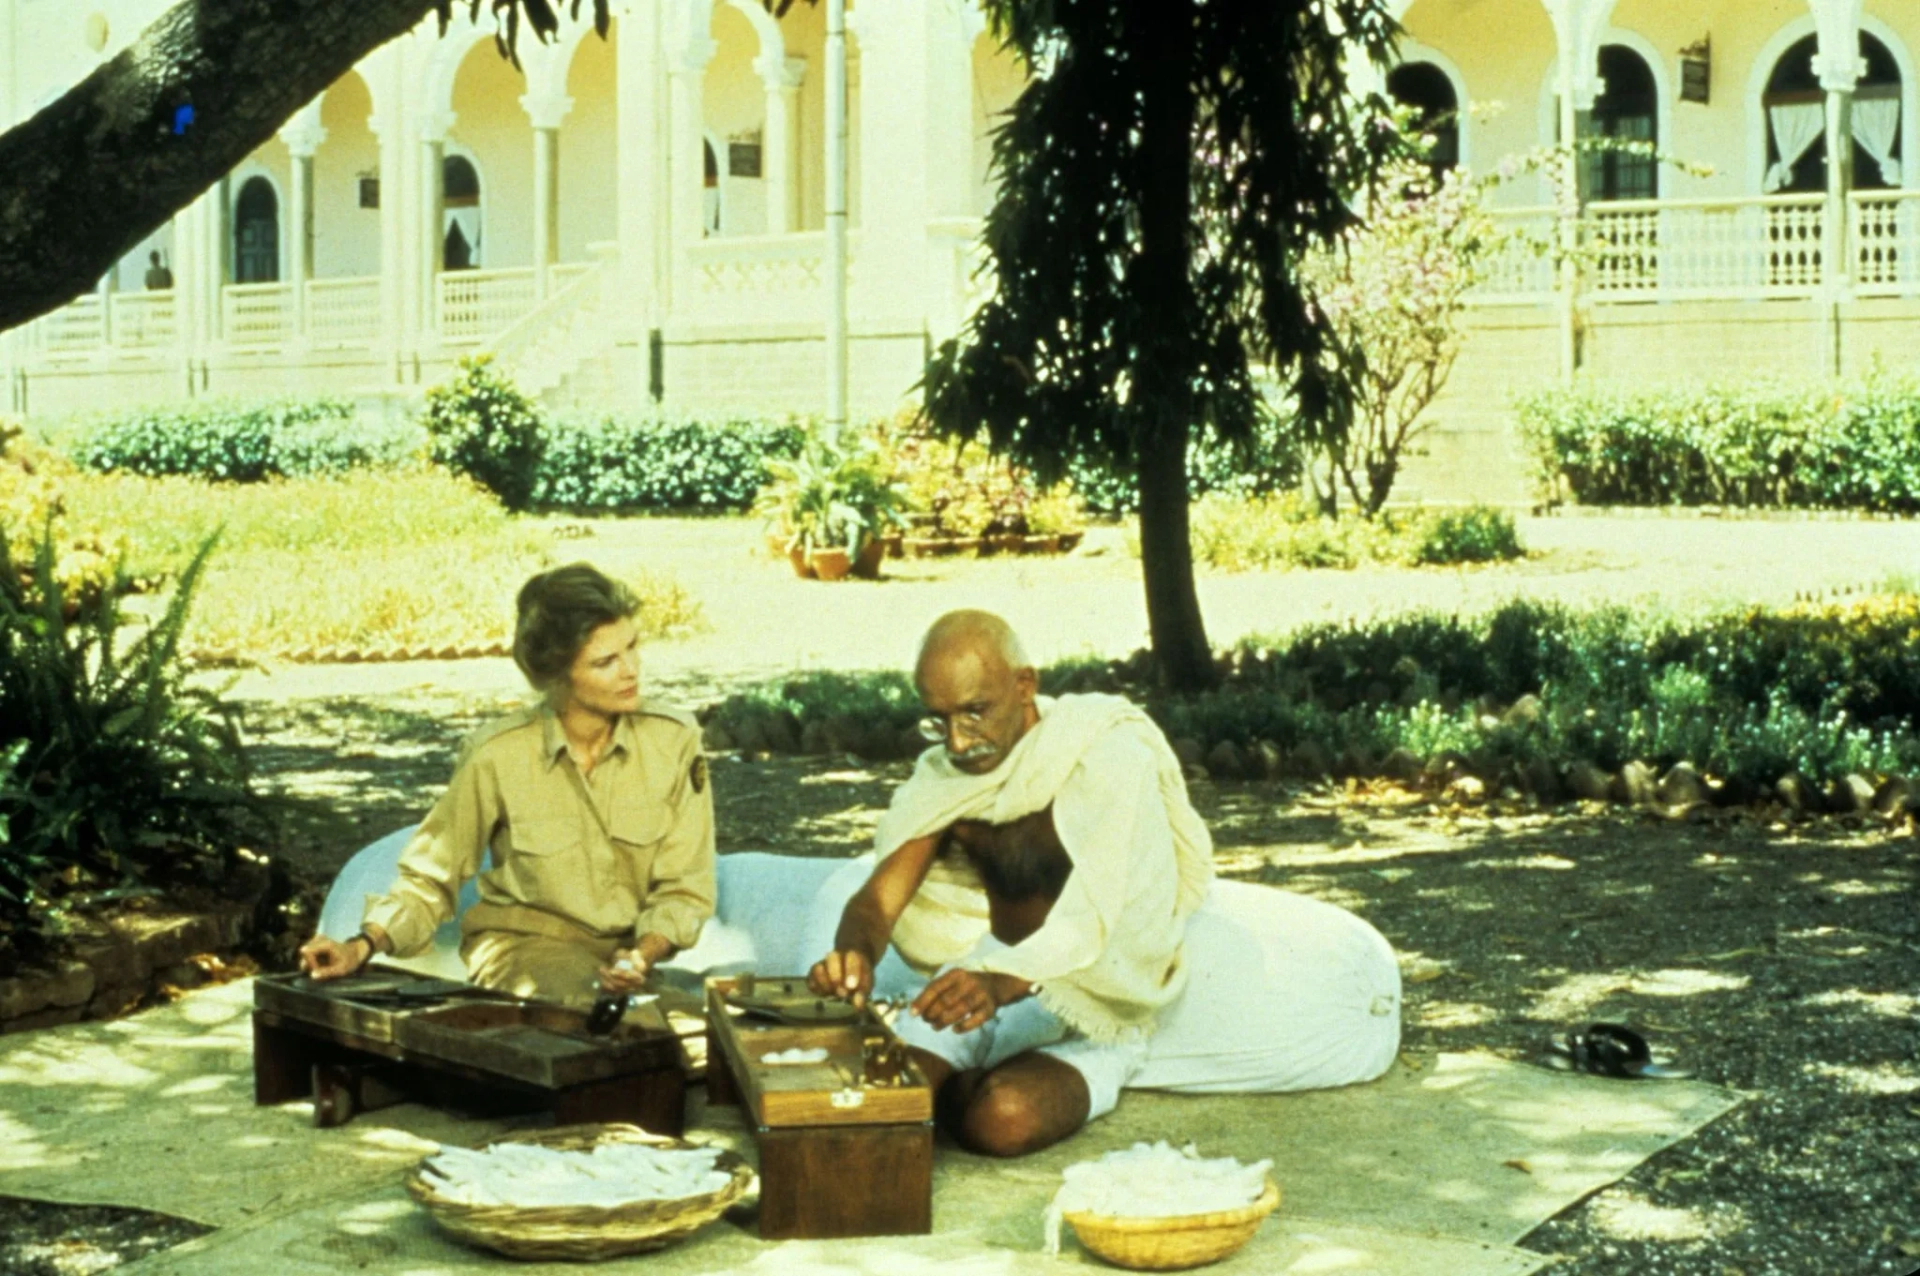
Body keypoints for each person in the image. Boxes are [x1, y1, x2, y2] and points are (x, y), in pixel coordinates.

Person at [809, 610, 1213, 1156]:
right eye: (939, 719)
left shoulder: (1105, 752)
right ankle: (962, 1087)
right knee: (879, 1104)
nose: (957, 741)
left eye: (975, 712)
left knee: (1002, 1118)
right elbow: (879, 901)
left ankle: (973, 1092)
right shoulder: (947, 781)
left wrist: (1003, 982)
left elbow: (1105, 910)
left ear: (1025, 685)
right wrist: (853, 953)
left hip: (1094, 996)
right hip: (989, 976)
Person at [298, 564, 716, 1006]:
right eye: (605, 662)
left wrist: (641, 956)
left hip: (623, 960)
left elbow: (684, 887)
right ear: (558, 674)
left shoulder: (673, 740)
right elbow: (430, 877)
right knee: (598, 1020)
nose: (631, 670)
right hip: (521, 948)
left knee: (712, 1042)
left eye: (632, 647)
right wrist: (360, 947)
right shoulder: (497, 754)